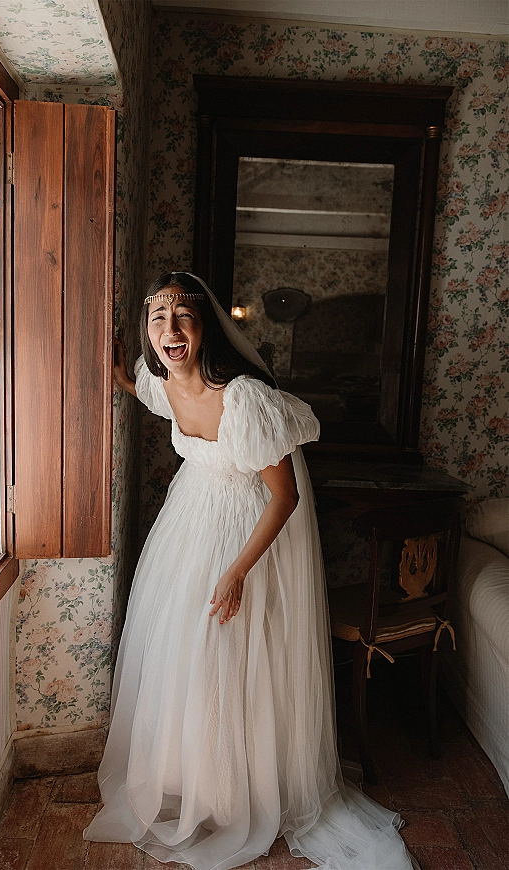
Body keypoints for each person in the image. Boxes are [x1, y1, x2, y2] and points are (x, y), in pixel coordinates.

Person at [83, 272, 419, 870]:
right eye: (158, 318)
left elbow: (284, 498)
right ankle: (196, 783)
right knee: (181, 652)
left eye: (183, 316)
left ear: (205, 325)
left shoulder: (243, 398)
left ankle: (243, 792)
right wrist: (107, 360)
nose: (170, 330)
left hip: (247, 531)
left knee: (230, 654)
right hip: (190, 520)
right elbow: (142, 389)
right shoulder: (163, 380)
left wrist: (237, 572)